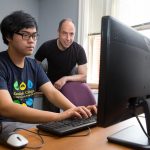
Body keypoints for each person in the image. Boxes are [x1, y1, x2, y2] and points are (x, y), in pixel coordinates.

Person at [0, 11, 97, 132]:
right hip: (5, 125)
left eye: (34, 35)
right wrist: (59, 116)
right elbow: (6, 107)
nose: (32, 40)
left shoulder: (33, 66)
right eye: (25, 35)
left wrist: (77, 111)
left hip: (26, 125)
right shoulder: (2, 64)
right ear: (8, 36)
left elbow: (52, 92)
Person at [34, 18, 87, 90]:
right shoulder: (46, 46)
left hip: (68, 85)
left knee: (76, 71)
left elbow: (84, 76)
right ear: (58, 32)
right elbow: (34, 67)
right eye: (64, 33)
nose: (68, 38)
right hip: (50, 86)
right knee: (41, 67)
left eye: (71, 34)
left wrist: (65, 79)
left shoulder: (79, 50)